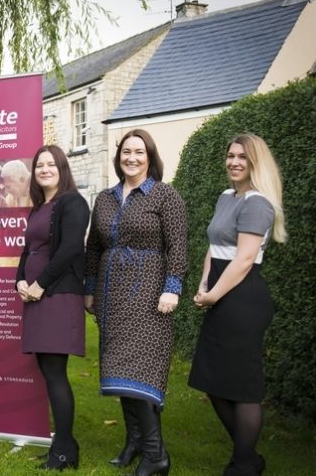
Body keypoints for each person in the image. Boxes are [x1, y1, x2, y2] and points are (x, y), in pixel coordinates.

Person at [84, 129, 187, 476]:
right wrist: (89, 288)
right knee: (119, 372)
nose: (132, 157)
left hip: (149, 296)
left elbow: (178, 246)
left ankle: (156, 455)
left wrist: (172, 287)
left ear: (150, 157)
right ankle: (135, 442)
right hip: (111, 296)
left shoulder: (165, 196)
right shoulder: (105, 199)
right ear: (119, 158)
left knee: (140, 371)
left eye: (139, 152)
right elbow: (93, 248)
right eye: (126, 152)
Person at [188, 134, 287, 476]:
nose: (234, 162)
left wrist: (214, 295)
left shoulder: (257, 203)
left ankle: (243, 464)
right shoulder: (226, 197)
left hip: (243, 301)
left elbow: (244, 259)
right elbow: (214, 248)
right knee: (213, 380)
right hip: (221, 296)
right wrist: (204, 283)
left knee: (243, 388)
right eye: (231, 155)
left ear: (256, 162)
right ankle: (249, 457)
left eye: (242, 157)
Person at [16, 145, 89, 470]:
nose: (44, 170)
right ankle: (65, 446)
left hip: (57, 296)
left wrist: (40, 284)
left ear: (62, 168)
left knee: (56, 373)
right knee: (48, 371)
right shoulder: (39, 207)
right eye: (39, 165)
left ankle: (62, 450)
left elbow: (71, 248)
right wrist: (20, 280)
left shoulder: (72, 202)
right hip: (36, 296)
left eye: (51, 164)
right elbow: (27, 250)